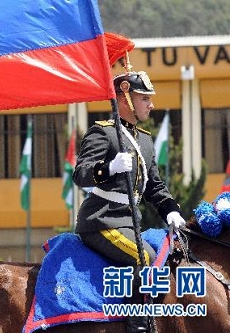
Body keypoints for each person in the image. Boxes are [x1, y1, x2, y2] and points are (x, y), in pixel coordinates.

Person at [73, 70, 186, 333]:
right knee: (143, 258)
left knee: (164, 261)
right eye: (145, 98)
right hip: (101, 219)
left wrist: (170, 210)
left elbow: (154, 185)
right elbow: (80, 174)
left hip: (128, 220)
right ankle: (138, 327)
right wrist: (108, 168)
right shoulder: (103, 133)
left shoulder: (144, 140)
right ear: (126, 97)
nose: (151, 104)